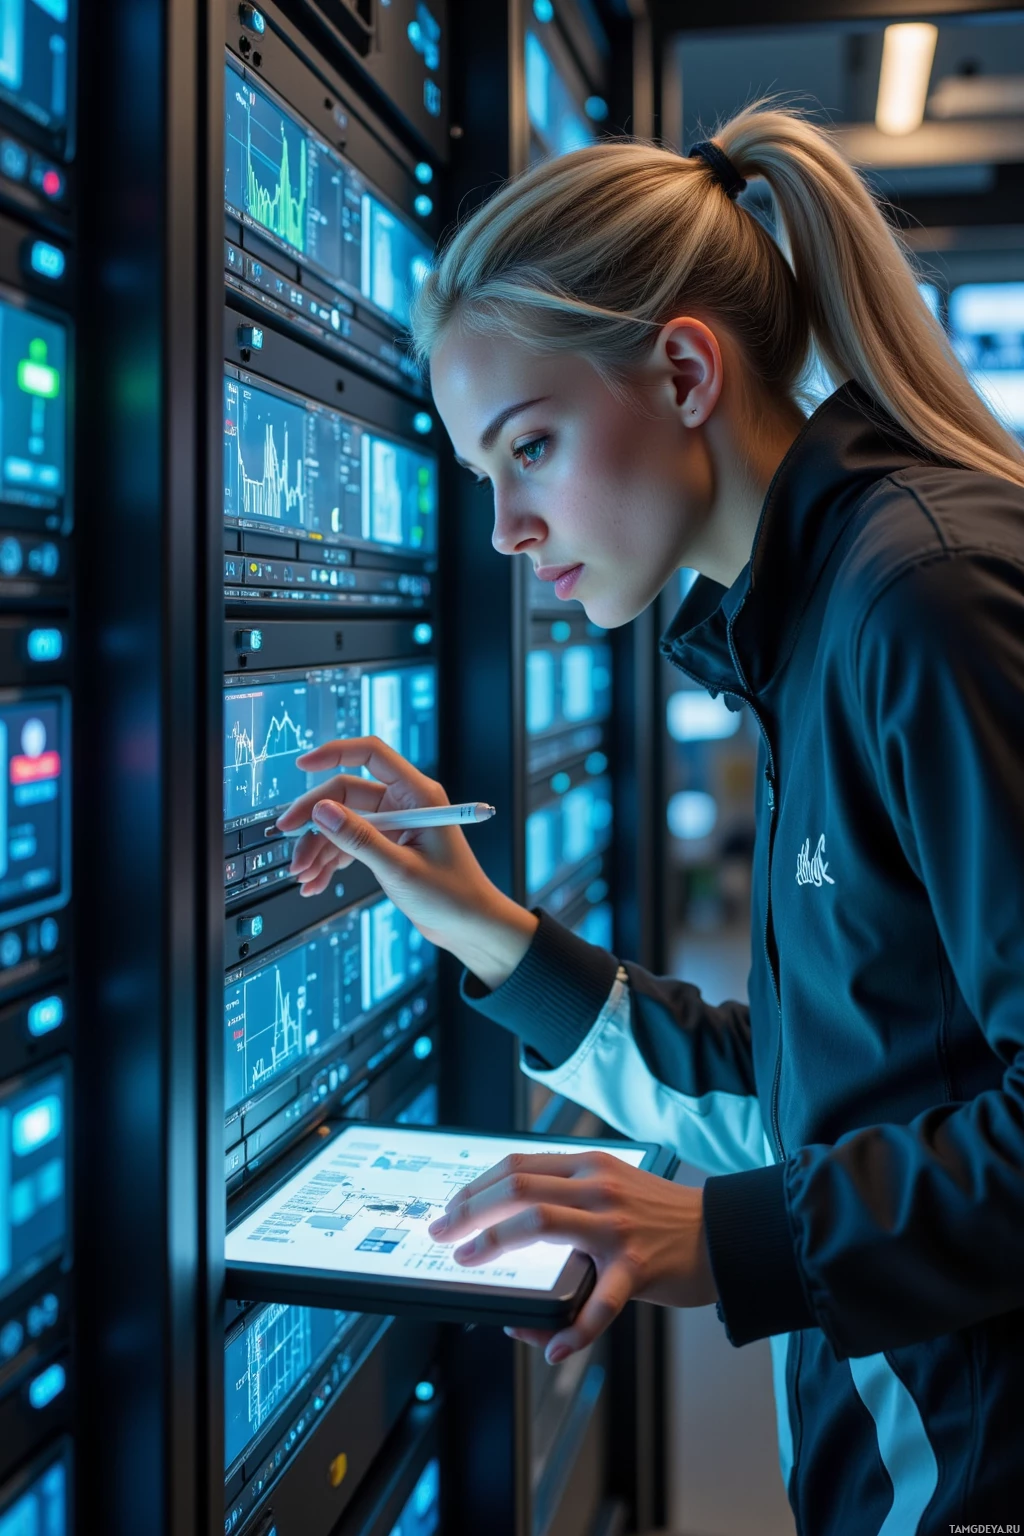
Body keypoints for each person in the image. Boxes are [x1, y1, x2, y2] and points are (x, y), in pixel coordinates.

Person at [275, 106, 1024, 1530]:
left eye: (531, 448)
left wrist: (721, 1237)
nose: (505, 527)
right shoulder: (817, 632)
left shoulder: (918, 605)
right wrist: (488, 929)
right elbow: (836, 1090)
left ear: (683, 370)